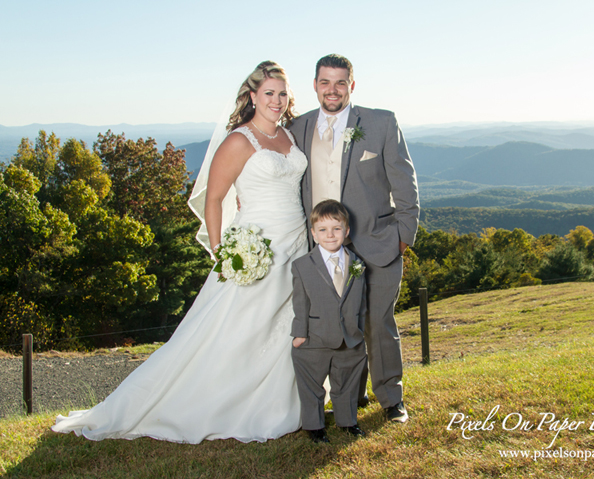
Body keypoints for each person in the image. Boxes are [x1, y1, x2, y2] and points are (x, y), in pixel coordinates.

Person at [51, 61, 308, 443]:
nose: (277, 100)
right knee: (236, 330)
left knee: (283, 325)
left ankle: (283, 402)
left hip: (297, 241)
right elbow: (215, 199)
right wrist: (225, 254)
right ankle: (205, 402)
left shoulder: (289, 136)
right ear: (252, 96)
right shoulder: (239, 140)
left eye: (282, 92)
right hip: (258, 246)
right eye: (268, 93)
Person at [289, 54, 420, 423]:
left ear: (352, 85)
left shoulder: (380, 122)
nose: (333, 90)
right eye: (325, 82)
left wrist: (402, 237)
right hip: (323, 250)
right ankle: (352, 392)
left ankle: (391, 398)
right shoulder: (298, 127)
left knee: (379, 323)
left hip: (377, 243)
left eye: (340, 82)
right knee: (340, 323)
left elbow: (405, 183)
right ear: (315, 84)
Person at [290, 200, 367, 443]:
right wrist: (299, 333)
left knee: (345, 382)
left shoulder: (357, 263)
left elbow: (360, 302)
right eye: (322, 230)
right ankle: (314, 426)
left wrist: (359, 329)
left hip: (349, 337)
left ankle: (348, 421)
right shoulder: (302, 266)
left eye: (336, 228)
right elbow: (300, 302)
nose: (330, 235)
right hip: (315, 336)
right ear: (313, 234)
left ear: (346, 231)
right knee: (312, 385)